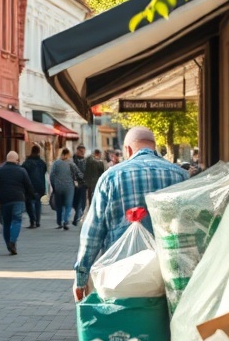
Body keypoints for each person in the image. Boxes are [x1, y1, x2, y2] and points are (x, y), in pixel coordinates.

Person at [73, 127, 189, 301]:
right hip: (168, 272)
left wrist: (81, 278)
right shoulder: (180, 175)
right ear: (154, 146)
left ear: (127, 149)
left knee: (126, 325)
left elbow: (93, 233)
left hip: (121, 273)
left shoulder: (110, 177)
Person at [0, 150, 36, 255]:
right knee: (16, 220)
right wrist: (30, 197)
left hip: (4, 200)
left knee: (6, 223)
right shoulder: (22, 171)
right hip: (18, 199)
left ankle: (9, 245)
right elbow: (28, 185)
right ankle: (13, 241)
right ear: (16, 160)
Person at [21, 145, 48, 229]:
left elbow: (23, 174)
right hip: (40, 186)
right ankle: (38, 221)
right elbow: (44, 171)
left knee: (29, 204)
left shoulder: (26, 163)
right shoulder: (42, 163)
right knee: (38, 204)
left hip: (29, 186)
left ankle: (32, 220)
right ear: (39, 152)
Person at [49, 148, 75, 230]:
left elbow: (51, 175)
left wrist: (54, 186)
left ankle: (59, 222)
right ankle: (65, 220)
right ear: (68, 154)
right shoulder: (71, 163)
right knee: (68, 205)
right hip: (69, 187)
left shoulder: (56, 163)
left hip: (58, 187)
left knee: (59, 205)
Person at [70, 145, 89, 226]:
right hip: (73, 183)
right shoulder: (72, 160)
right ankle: (77, 216)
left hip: (82, 184)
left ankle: (77, 217)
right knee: (75, 202)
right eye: (81, 151)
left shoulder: (85, 161)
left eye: (83, 151)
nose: (82, 153)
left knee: (82, 203)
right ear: (77, 151)